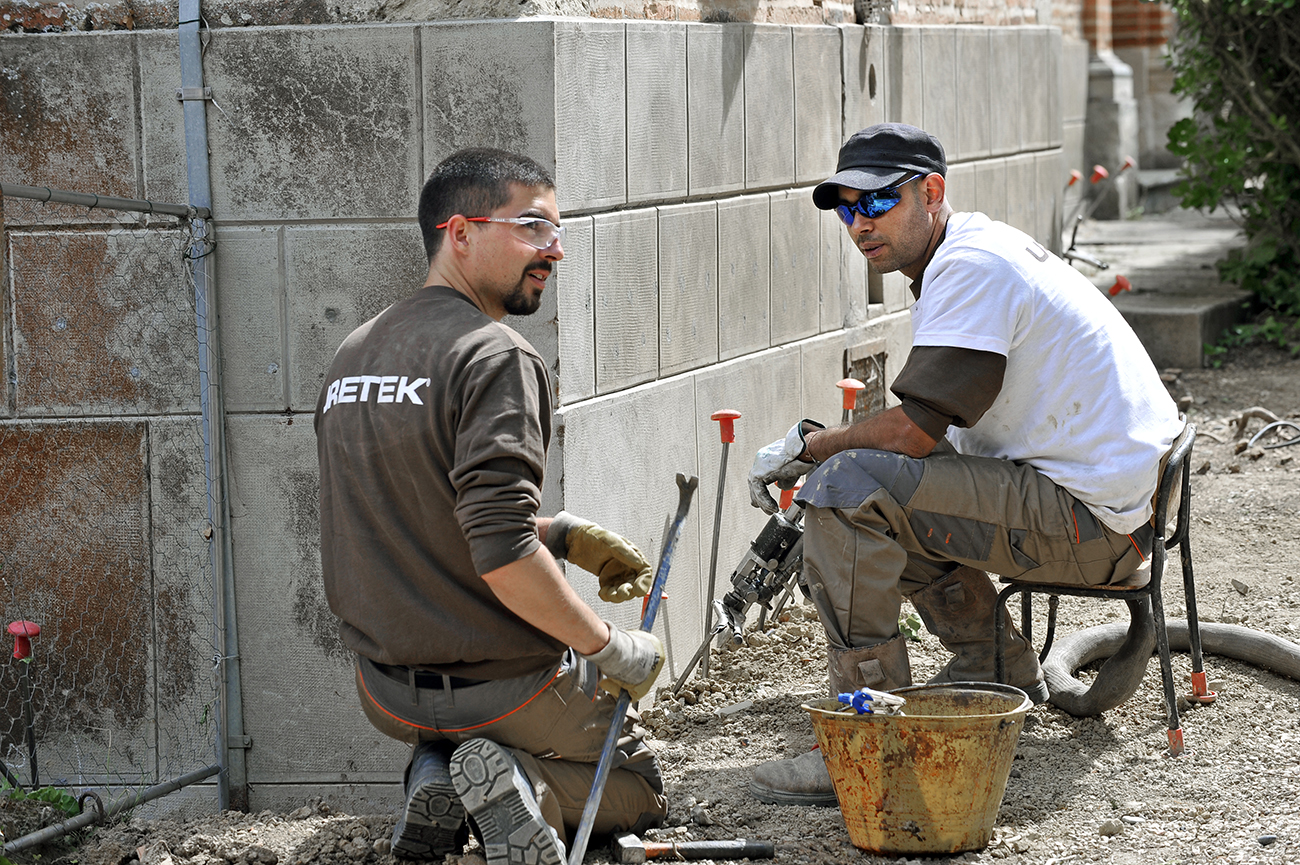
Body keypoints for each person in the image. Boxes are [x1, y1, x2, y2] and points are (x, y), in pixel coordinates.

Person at [745, 124, 1183, 805]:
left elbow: (915, 434)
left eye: (879, 201)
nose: (860, 223)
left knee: (841, 491)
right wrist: (832, 441)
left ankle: (871, 738)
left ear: (931, 191)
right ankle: (999, 666)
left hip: (1093, 528)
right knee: (872, 480)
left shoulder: (969, 267)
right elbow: (921, 436)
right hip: (1112, 510)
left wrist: (811, 447)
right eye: (846, 208)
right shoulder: (973, 247)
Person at [315, 148, 669, 864]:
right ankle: (515, 777)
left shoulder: (355, 353)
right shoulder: (495, 355)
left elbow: (404, 511)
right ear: (461, 232)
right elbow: (503, 554)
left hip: (387, 692)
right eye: (533, 228)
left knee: (454, 742)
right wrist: (609, 644)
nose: (555, 250)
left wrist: (560, 532)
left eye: (556, 232)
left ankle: (433, 772)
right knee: (636, 784)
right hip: (504, 688)